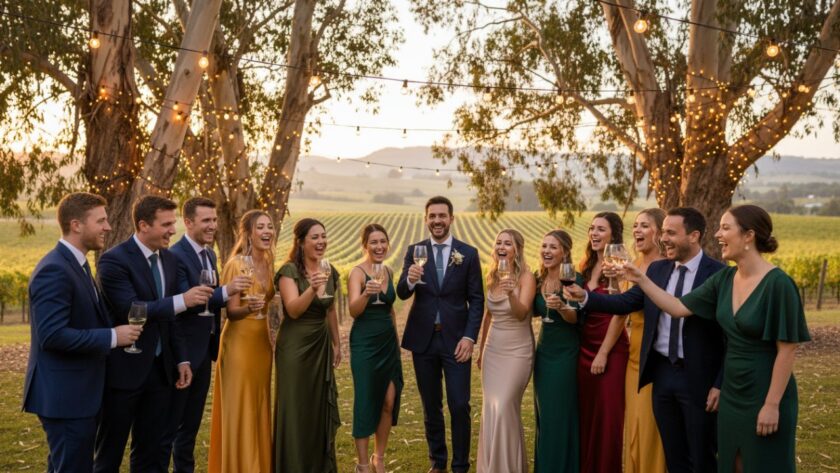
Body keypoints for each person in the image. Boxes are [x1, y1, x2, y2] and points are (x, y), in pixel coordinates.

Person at [620, 205, 810, 473]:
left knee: (764, 463)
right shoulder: (724, 279)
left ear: (748, 236)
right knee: (732, 463)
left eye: (725, 227)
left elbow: (787, 350)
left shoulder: (779, 284)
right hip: (733, 394)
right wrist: (641, 278)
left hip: (764, 392)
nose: (718, 234)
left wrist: (771, 404)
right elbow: (677, 307)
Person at [565, 207, 725, 473]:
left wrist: (719, 383)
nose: (664, 239)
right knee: (674, 455)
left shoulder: (717, 274)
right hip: (661, 373)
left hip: (698, 377)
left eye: (671, 233)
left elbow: (726, 336)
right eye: (663, 233)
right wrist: (584, 298)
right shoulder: (659, 269)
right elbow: (627, 302)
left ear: (694, 236)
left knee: (701, 455)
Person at [22, 192, 141, 473]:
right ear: (76, 225)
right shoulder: (54, 270)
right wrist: (113, 336)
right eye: (101, 220)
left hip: (80, 395)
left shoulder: (79, 264)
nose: (108, 227)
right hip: (65, 397)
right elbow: (52, 335)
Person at [95, 195, 213, 473]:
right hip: (124, 372)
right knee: (109, 454)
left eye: (173, 223)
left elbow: (171, 321)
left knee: (154, 452)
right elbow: (130, 308)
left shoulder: (169, 260)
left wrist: (182, 360)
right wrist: (184, 299)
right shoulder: (114, 260)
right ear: (143, 225)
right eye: (166, 224)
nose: (173, 230)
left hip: (162, 372)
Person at [397, 196, 484, 473]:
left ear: (451, 218)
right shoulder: (415, 250)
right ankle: (438, 462)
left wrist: (470, 337)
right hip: (423, 341)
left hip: (457, 341)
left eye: (442, 215)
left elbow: (477, 299)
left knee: (459, 404)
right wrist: (410, 278)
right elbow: (402, 291)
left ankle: (460, 465)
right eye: (432, 216)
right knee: (430, 405)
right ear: (426, 219)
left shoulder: (467, 254)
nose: (437, 220)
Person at [162, 197, 250, 472]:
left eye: (214, 220)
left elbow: (209, 301)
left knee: (191, 425)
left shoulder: (209, 254)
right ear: (188, 222)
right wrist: (228, 290)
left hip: (204, 350)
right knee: (175, 428)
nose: (213, 225)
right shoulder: (176, 256)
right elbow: (188, 301)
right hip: (184, 353)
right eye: (206, 221)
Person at [208, 210, 278, 473]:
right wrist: (250, 310)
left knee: (259, 405)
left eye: (269, 226)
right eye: (261, 227)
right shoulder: (237, 264)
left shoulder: (269, 262)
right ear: (248, 232)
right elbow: (231, 312)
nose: (267, 231)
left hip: (261, 345)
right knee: (241, 408)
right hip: (238, 344)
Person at [274, 218, 342, 472]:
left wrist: (337, 343)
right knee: (296, 409)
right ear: (301, 242)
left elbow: (331, 308)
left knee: (317, 409)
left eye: (323, 236)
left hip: (321, 344)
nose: (321, 241)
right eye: (314, 237)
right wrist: (312, 289)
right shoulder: (289, 271)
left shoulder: (329, 270)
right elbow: (293, 310)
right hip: (295, 349)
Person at [475, 229, 536, 473]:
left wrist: (511, 291)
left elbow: (522, 314)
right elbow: (488, 316)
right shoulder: (491, 276)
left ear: (516, 249)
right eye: (498, 242)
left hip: (518, 351)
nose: (501, 246)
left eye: (507, 243)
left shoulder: (526, 277)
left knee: (504, 408)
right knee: (491, 408)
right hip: (493, 350)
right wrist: (481, 351)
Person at [347, 224, 404, 473]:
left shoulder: (388, 271)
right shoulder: (358, 273)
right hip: (365, 344)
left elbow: (390, 308)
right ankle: (361, 465)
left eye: (383, 241)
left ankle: (378, 459)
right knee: (366, 400)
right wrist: (366, 295)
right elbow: (353, 311)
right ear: (365, 245)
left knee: (389, 401)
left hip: (388, 344)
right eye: (374, 242)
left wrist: (396, 340)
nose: (379, 246)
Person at [576, 212, 629, 473]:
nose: (594, 234)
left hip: (611, 347)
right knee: (587, 415)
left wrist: (604, 353)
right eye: (591, 229)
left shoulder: (621, 264)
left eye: (601, 229)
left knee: (609, 419)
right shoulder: (585, 265)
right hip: (584, 345)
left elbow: (622, 311)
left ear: (613, 235)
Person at [532, 229, 581, 473]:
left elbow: (575, 318)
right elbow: (526, 310)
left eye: (553, 247)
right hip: (543, 353)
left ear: (564, 252)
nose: (547, 251)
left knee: (560, 415)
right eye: (544, 246)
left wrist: (562, 307)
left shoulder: (573, 278)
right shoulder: (537, 279)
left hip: (566, 354)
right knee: (544, 416)